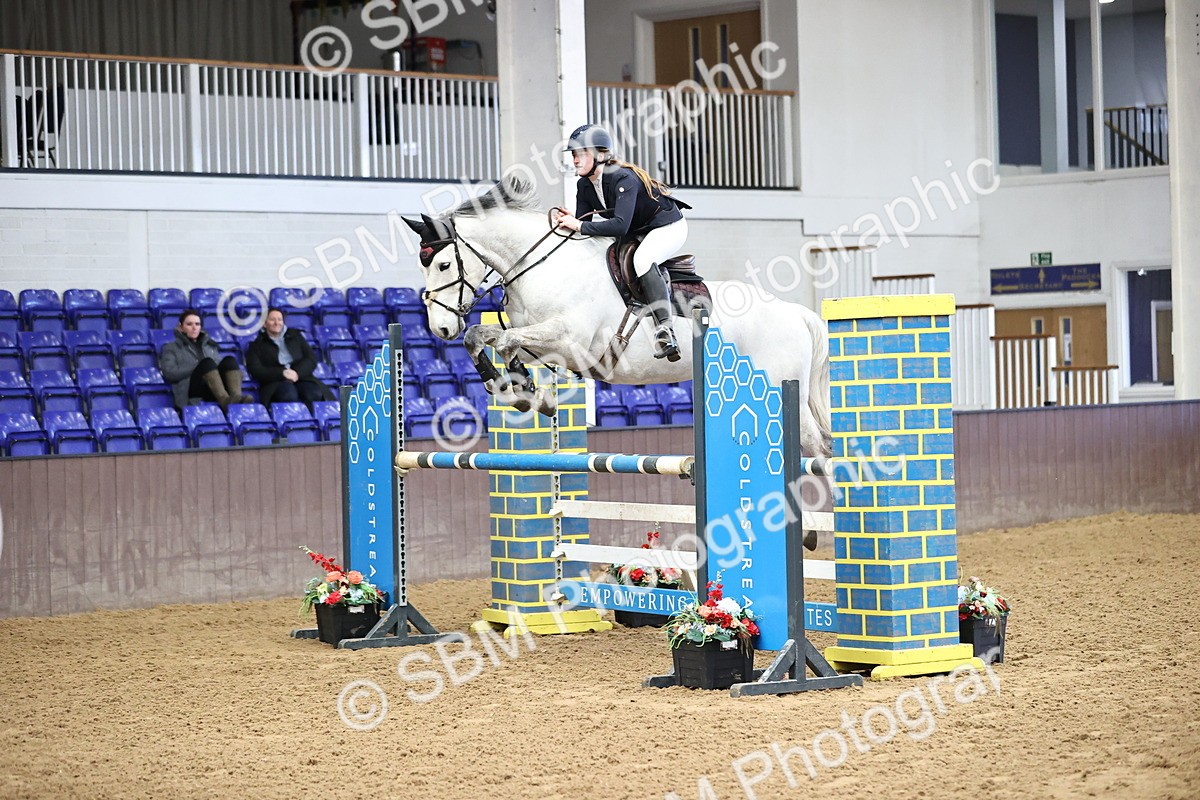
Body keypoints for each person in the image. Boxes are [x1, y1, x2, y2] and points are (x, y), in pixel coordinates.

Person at [551, 123, 691, 362]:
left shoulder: (622, 177)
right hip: (637, 230)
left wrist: (579, 225)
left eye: (580, 153)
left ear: (600, 155)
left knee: (643, 259)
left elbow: (619, 226)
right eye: (573, 154)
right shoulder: (584, 185)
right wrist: (570, 222)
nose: (574, 159)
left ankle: (666, 329)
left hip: (667, 227)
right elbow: (585, 227)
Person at [246, 307, 334, 409]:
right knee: (289, 395)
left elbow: (311, 358)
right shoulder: (257, 345)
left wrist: (297, 373)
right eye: (272, 320)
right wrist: (282, 373)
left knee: (314, 393)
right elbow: (255, 370)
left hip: (301, 377)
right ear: (264, 324)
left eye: (279, 319)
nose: (277, 323)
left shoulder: (295, 336)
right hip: (275, 382)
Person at [159, 309, 246, 411]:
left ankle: (237, 398)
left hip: (213, 387)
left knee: (229, 360)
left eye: (197, 324)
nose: (194, 327)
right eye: (189, 324)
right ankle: (224, 401)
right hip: (190, 389)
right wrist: (198, 367)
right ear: (181, 327)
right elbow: (169, 373)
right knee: (207, 363)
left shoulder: (209, 346)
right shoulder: (171, 347)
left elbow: (218, 365)